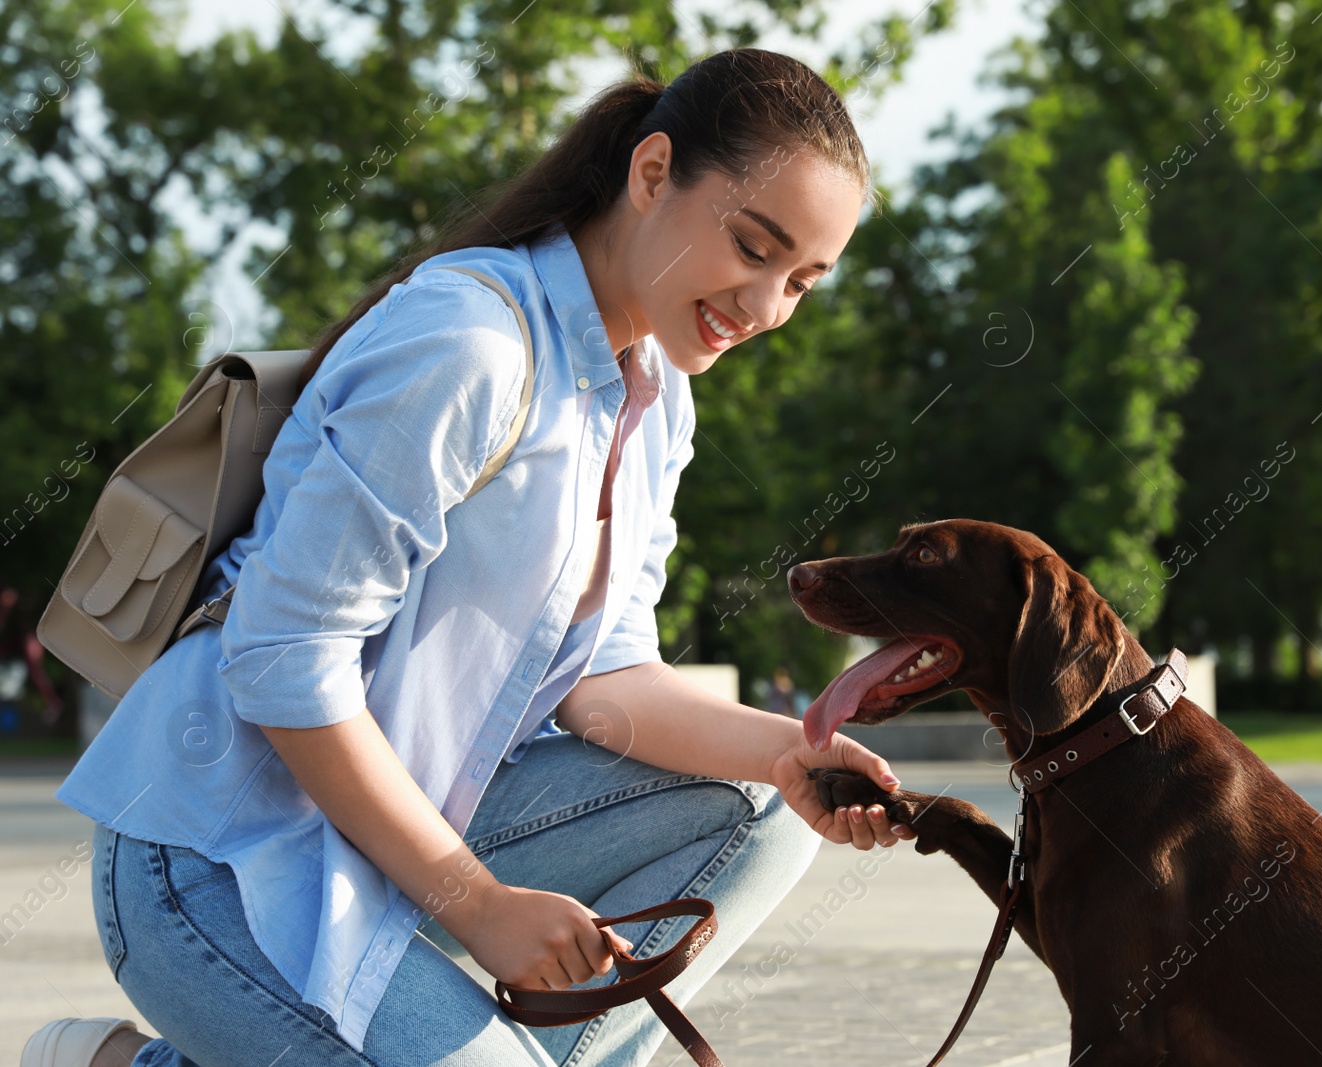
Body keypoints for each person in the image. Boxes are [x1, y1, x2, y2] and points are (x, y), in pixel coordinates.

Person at [30, 48, 912, 1067]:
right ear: (654, 170)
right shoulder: (470, 345)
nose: (764, 309)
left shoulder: (655, 394)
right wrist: (477, 903)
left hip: (406, 820)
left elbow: (606, 684)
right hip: (217, 854)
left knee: (764, 805)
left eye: (801, 280)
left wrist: (785, 747)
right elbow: (280, 658)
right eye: (752, 247)